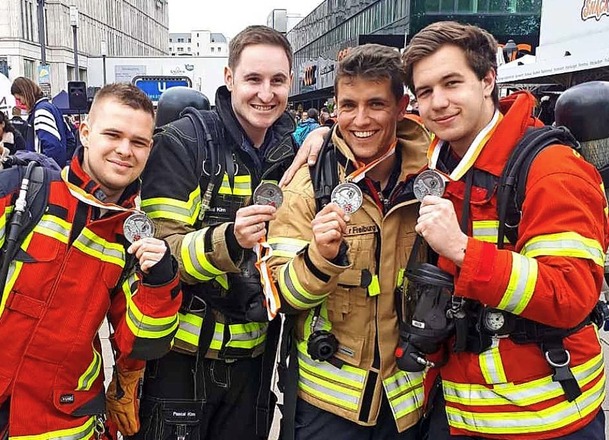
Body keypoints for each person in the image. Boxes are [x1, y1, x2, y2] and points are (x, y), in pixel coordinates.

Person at [403, 21, 609, 439]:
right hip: (463, 411)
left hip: (546, 418)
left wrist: (463, 250)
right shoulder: (444, 165)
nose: (438, 102)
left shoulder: (552, 170)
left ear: (487, 81)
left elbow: (569, 294)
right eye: (425, 92)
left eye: (451, 83)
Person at [135, 25, 297, 440]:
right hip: (181, 366)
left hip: (254, 365)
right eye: (253, 79)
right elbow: (159, 255)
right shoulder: (182, 143)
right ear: (229, 79)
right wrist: (229, 239)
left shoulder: (292, 155)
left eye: (277, 80)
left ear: (290, 82)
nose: (266, 93)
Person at [267, 44, 431, 440]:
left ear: (401, 104)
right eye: (348, 105)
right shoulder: (308, 185)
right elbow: (277, 295)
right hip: (326, 407)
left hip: (407, 404)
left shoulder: (438, 174)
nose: (360, 120)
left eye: (376, 104)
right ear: (334, 106)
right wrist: (319, 259)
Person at [0, 83, 182, 439]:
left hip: (60, 422)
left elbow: (143, 344)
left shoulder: (137, 239)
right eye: (113, 134)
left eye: (139, 142)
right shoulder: (22, 190)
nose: (124, 151)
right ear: (85, 132)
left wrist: (160, 281)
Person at [10, 76, 74, 167]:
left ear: (25, 94)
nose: (20, 104)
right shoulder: (51, 107)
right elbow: (70, 139)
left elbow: (52, 146)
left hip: (45, 171)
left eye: (19, 99)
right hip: (56, 168)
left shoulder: (41, 111)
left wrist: (45, 169)